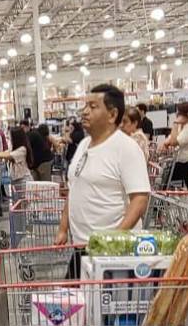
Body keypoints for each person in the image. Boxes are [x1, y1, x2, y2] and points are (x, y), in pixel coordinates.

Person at [57, 85, 151, 276]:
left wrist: (113, 239)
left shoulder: (126, 148)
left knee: (99, 304)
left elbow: (140, 199)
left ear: (112, 114)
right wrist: (63, 228)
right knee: (74, 303)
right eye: (85, 106)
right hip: (82, 247)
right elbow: (74, 188)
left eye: (93, 106)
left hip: (112, 255)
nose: (84, 112)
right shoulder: (83, 144)